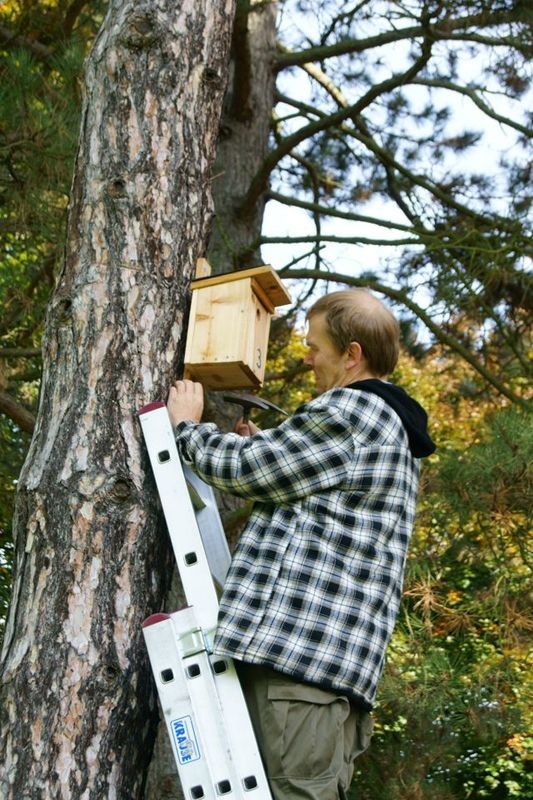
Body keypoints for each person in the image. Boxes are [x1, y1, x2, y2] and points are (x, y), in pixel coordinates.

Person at [167, 288, 436, 800]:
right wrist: (261, 447)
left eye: (316, 346)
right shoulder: (386, 426)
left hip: (300, 677)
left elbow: (247, 470)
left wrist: (185, 427)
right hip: (320, 682)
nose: (307, 357)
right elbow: (304, 490)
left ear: (352, 354)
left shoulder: (353, 412)